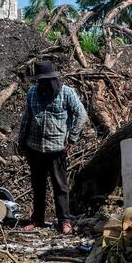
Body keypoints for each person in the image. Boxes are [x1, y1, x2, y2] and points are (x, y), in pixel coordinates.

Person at [18, 60, 87, 234]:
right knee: (38, 185)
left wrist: (72, 139)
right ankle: (37, 219)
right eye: (40, 81)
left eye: (46, 80)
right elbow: (26, 118)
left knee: (60, 186)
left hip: (57, 148)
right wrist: (22, 143)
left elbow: (81, 114)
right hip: (35, 148)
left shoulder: (66, 93)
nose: (43, 84)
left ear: (53, 79)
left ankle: (64, 220)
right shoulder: (32, 93)